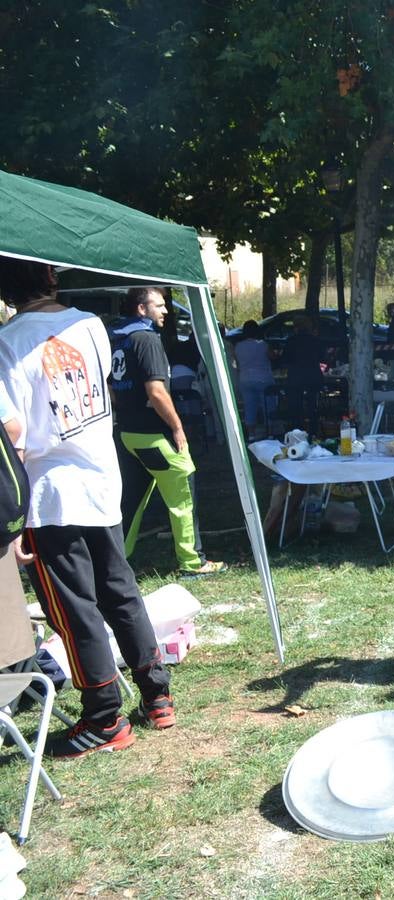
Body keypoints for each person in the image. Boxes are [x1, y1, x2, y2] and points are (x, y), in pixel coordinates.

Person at [0, 257, 176, 757]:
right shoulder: (91, 324)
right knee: (120, 590)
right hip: (100, 477)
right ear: (51, 278)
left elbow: (11, 429)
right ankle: (156, 693)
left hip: (50, 493)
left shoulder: (8, 342)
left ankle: (103, 716)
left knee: (74, 607)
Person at [109, 287, 226, 576]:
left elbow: (111, 386)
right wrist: (177, 427)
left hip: (127, 434)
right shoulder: (147, 339)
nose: (165, 311)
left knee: (130, 502)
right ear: (141, 309)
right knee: (183, 497)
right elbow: (157, 390)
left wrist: (127, 409)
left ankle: (114, 562)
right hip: (155, 435)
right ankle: (192, 561)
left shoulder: (117, 338)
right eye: (159, 306)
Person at [282, 315, 325, 434]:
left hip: (295, 378)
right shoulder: (316, 341)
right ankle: (314, 431)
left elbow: (285, 360)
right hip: (313, 377)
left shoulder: (290, 341)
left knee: (296, 408)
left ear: (296, 327)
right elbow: (323, 358)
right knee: (313, 406)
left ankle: (298, 432)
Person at [233, 320, 275, 440]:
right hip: (263, 379)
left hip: (245, 378)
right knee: (268, 406)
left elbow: (237, 361)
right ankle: (270, 432)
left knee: (249, 406)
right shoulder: (263, 345)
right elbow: (272, 356)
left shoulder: (238, 346)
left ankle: (251, 434)